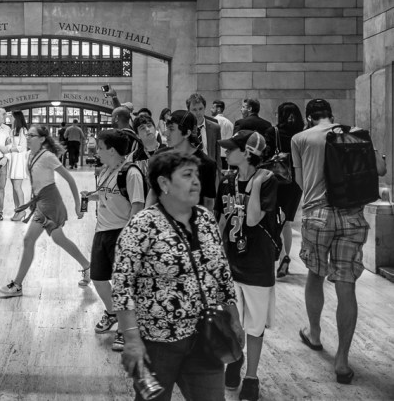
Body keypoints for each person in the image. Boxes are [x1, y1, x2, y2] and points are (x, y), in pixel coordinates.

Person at [113, 150, 243, 401]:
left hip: (206, 336)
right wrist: (131, 339)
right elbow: (122, 286)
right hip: (158, 343)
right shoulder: (142, 226)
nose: (196, 181)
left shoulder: (205, 219)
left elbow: (222, 273)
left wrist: (233, 317)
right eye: (186, 175)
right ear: (164, 183)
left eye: (196, 175)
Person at [291, 99, 386, 385]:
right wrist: (366, 141)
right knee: (346, 285)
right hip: (353, 215)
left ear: (309, 118)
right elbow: (380, 169)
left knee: (315, 274)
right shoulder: (354, 132)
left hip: (317, 216)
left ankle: (315, 334)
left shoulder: (300, 138)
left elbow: (300, 182)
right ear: (332, 116)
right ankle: (342, 361)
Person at [218, 131, 278, 401]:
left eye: (232, 148)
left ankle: (251, 376)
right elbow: (221, 219)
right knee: (231, 321)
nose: (226, 152)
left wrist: (253, 187)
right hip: (231, 261)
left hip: (257, 264)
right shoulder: (227, 179)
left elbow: (253, 220)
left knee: (254, 326)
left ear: (248, 153)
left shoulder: (267, 181)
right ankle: (234, 360)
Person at [0, 125, 90, 297]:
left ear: (41, 139)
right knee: (59, 239)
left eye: (31, 135)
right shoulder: (30, 155)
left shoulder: (47, 156)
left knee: (28, 240)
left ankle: (17, 285)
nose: (27, 137)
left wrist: (77, 205)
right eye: (28, 135)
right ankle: (87, 266)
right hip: (41, 201)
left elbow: (70, 179)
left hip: (50, 202)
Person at [81, 130, 144, 352]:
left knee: (122, 284)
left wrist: (129, 236)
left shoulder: (132, 172)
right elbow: (107, 193)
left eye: (99, 147)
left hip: (121, 232)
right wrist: (92, 195)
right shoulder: (106, 169)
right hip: (102, 231)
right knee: (98, 278)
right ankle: (113, 313)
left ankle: (125, 329)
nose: (96, 151)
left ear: (112, 150)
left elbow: (137, 206)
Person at [264, 102, 305, 278]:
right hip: (295, 182)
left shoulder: (273, 132)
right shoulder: (302, 134)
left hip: (276, 181)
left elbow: (265, 156)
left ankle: (281, 257)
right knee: (286, 221)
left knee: (272, 219)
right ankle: (286, 256)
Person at [156, 110, 217, 211]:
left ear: (187, 133)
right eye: (167, 128)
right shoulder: (161, 157)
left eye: (171, 129)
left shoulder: (206, 164)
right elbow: (153, 193)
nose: (166, 133)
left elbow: (208, 202)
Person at [186, 93, 221, 175]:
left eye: (200, 108)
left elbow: (217, 155)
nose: (198, 113)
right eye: (194, 110)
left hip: (209, 172)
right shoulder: (184, 129)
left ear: (205, 108)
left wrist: (218, 175)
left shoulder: (215, 128)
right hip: (190, 172)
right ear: (188, 111)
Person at [8, 111, 29, 221]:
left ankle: (22, 210)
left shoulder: (23, 130)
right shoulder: (12, 131)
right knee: (14, 188)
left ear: (16, 118)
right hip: (13, 160)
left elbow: (22, 147)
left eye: (11, 116)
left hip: (19, 161)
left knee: (17, 187)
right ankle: (17, 210)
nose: (9, 118)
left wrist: (10, 149)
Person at [129, 114, 163, 180]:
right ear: (137, 135)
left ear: (155, 128)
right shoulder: (133, 157)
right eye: (142, 128)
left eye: (149, 126)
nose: (147, 129)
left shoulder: (168, 151)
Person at [211, 100, 235, 169]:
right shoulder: (230, 123)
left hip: (215, 155)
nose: (211, 109)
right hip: (226, 155)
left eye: (213, 107)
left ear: (218, 109)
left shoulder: (212, 121)